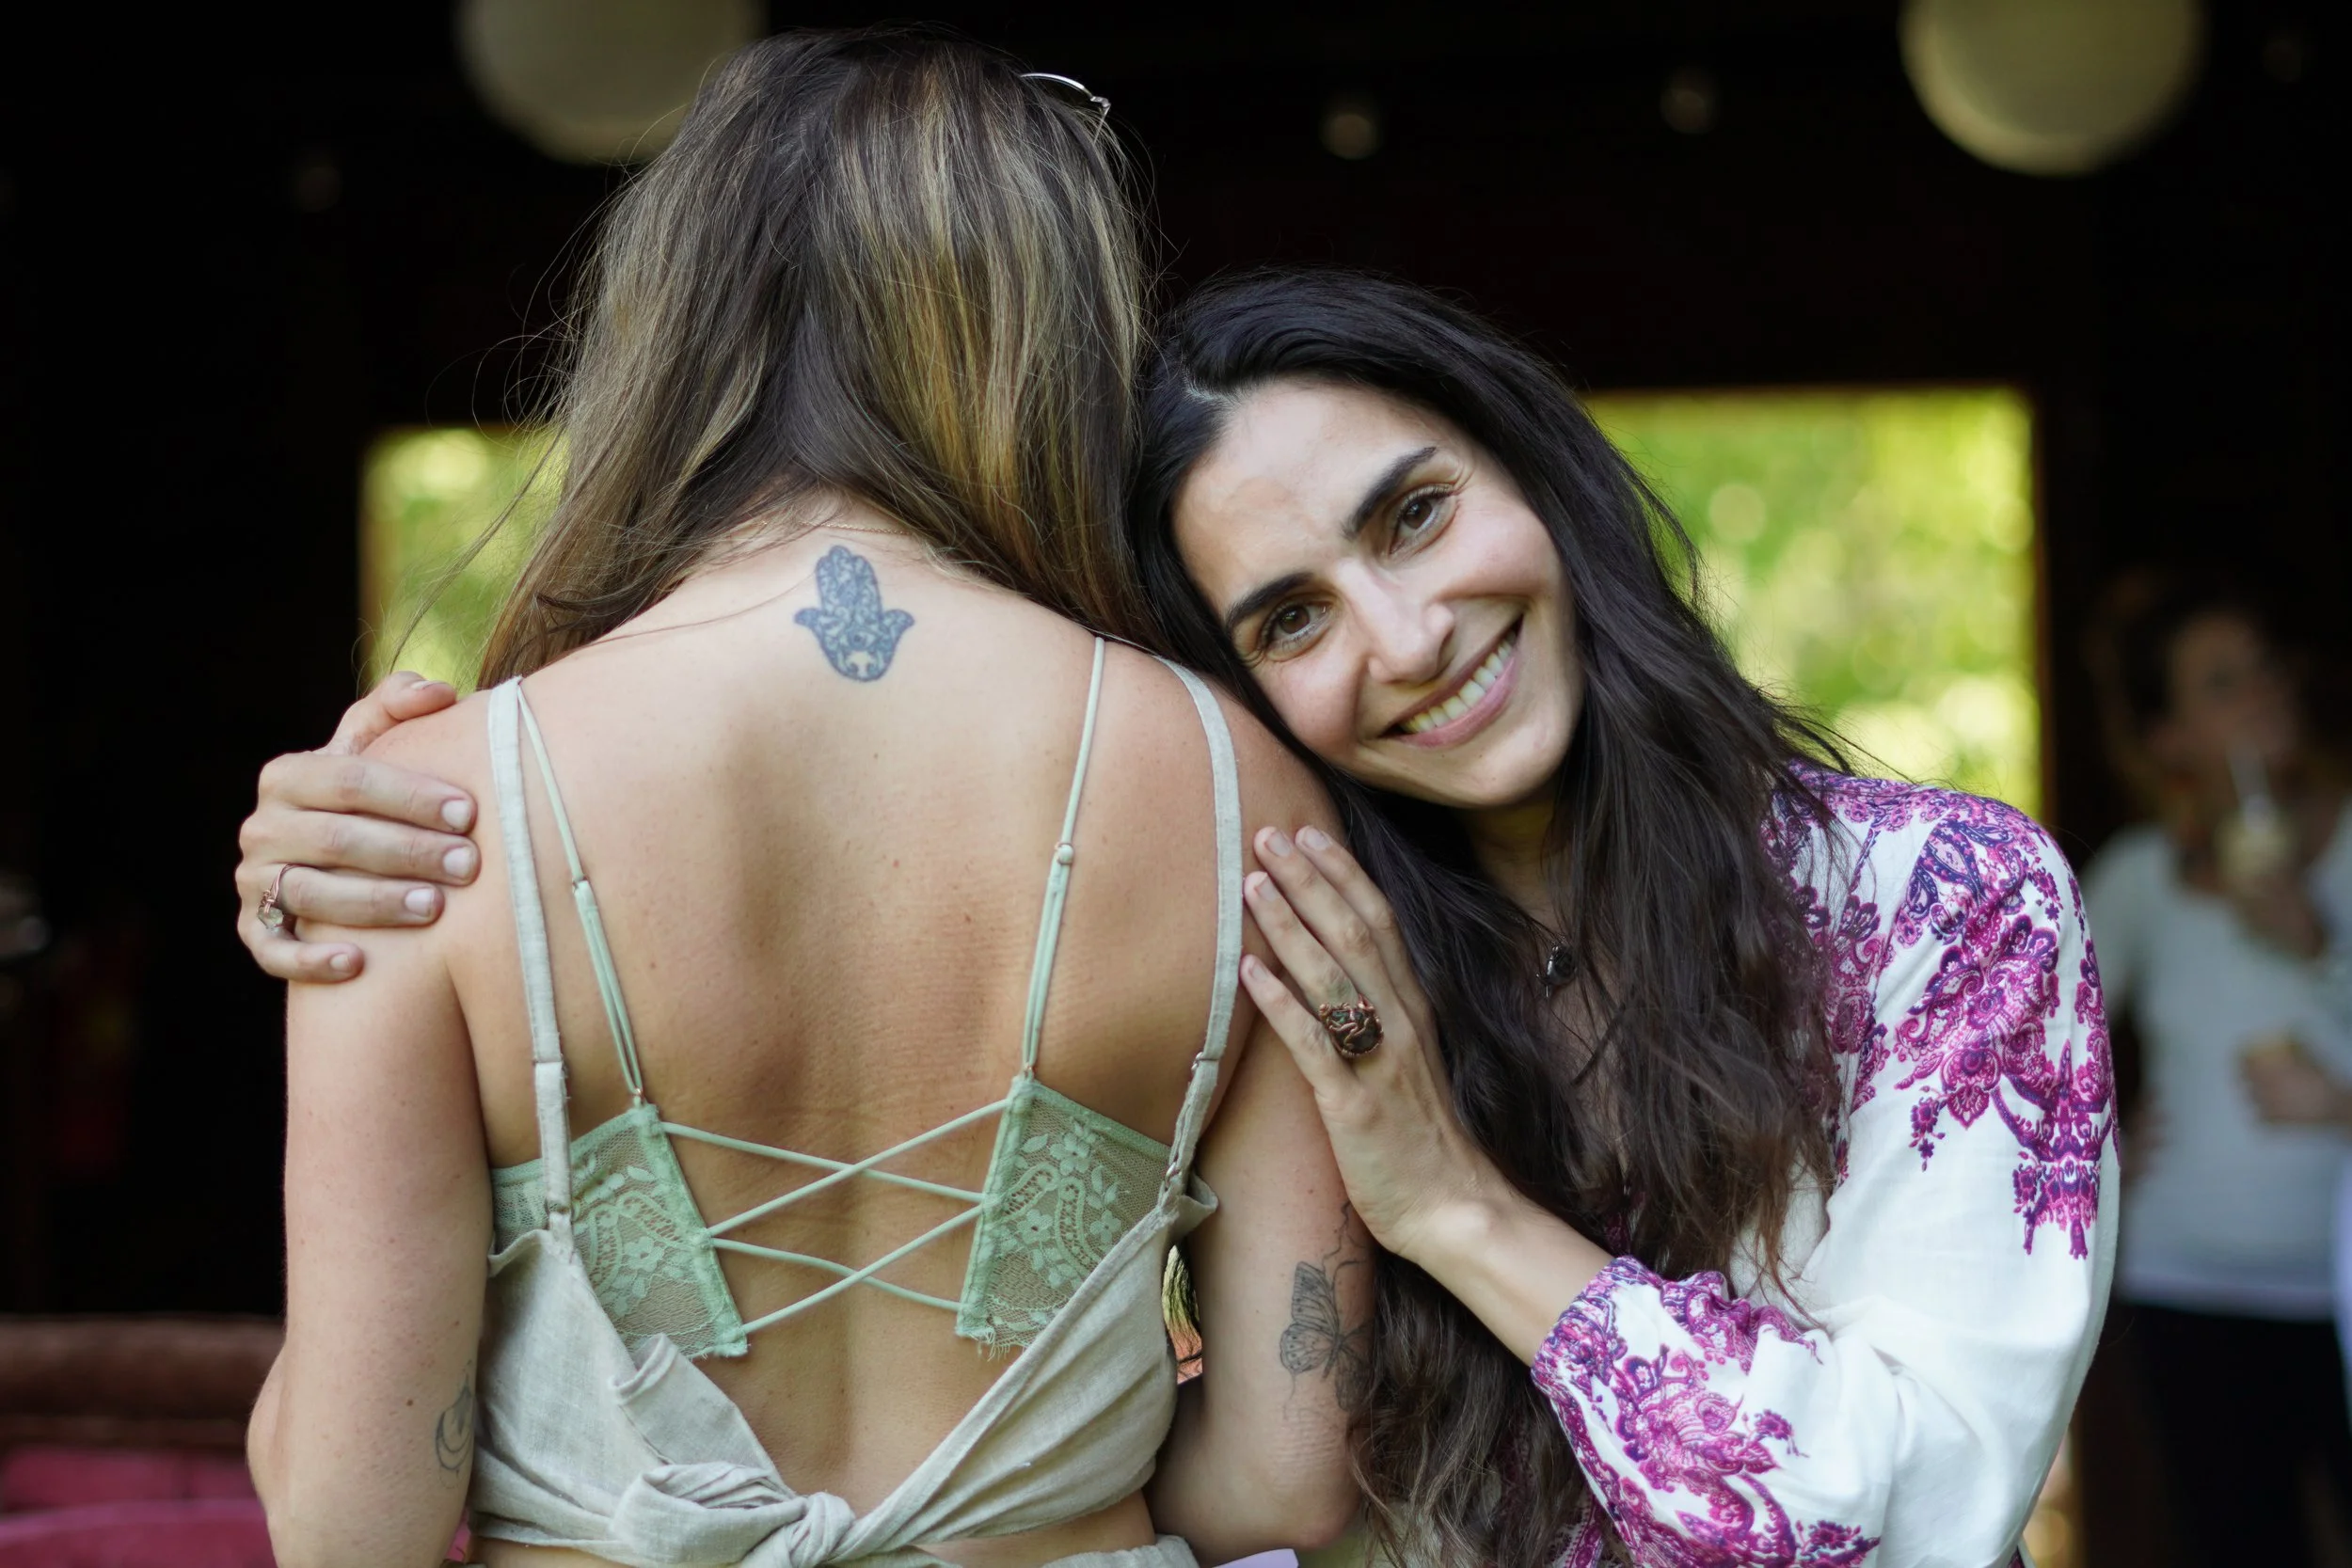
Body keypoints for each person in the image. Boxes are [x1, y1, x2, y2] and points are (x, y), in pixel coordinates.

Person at [232, 268, 2117, 1562]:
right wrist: (367, 833)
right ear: (1228, 695)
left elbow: (1914, 1506)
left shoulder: (1933, 905)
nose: (1400, 636)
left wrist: (1450, 1204)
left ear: (1536, 470)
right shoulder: (1265, 923)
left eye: (1410, 514)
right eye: (1287, 616)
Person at [238, 35, 1366, 1568]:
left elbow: (346, 1519)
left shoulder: (421, 824)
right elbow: (1287, 1480)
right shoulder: (1239, 789)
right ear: (1042, 337)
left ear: (666, 327)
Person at [2082, 573, 2352, 1562]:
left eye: (2266, 667)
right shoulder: (2138, 877)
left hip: (2340, 1281)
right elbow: (2029, 1044)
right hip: (2183, 1286)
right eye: (2223, 683)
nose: (2264, 693)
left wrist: (2314, 941)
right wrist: (2091, 1153)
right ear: (2168, 740)